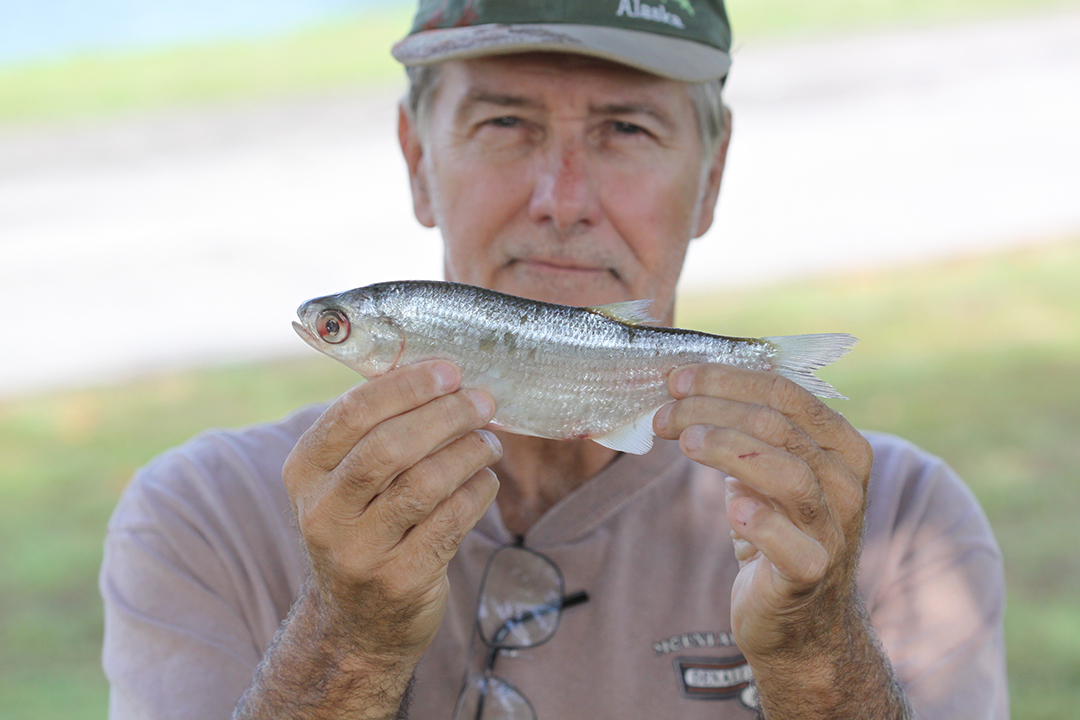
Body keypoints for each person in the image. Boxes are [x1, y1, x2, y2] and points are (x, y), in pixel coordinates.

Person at [99, 1, 1009, 718]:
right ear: (417, 160)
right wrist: (349, 644)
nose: (562, 199)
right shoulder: (202, 519)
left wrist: (818, 657)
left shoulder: (901, 523)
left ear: (712, 175)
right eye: (505, 122)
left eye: (627, 129)